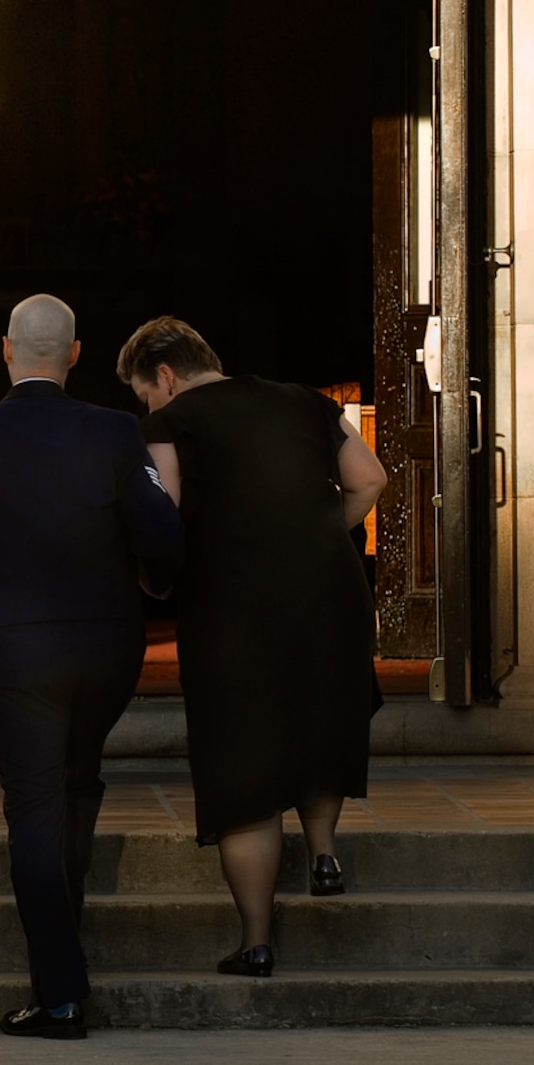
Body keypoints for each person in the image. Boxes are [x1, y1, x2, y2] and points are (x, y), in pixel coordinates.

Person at [0, 293, 184, 1040]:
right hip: (110, 646)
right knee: (76, 788)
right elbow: (164, 536)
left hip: (20, 649)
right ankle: (64, 951)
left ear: (6, 350)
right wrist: (153, 588)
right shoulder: (118, 431)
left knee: (33, 807)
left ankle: (58, 996)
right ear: (77, 354)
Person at [116, 314, 386, 979]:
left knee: (243, 771)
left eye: (144, 394)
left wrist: (155, 581)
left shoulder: (171, 421)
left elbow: (163, 518)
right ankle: (324, 852)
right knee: (320, 720)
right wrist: (316, 531)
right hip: (330, 589)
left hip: (233, 604)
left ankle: (257, 941)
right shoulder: (306, 402)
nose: (146, 407)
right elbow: (370, 478)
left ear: (166, 377)